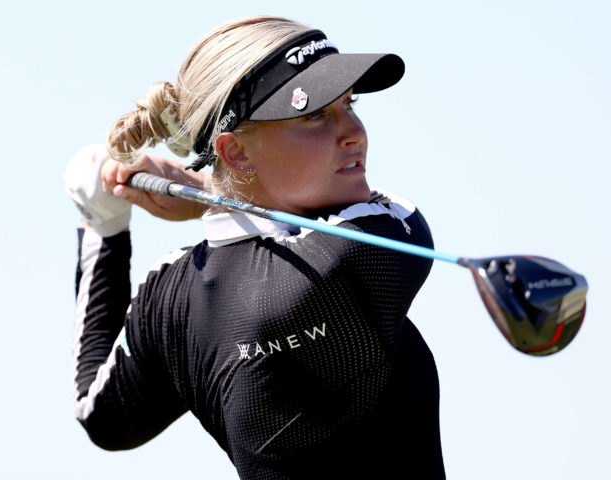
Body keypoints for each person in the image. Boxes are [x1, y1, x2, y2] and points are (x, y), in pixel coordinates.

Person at [65, 15, 445, 479]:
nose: (354, 132)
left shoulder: (172, 295)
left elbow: (104, 418)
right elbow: (402, 221)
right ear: (236, 152)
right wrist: (209, 190)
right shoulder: (351, 259)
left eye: (350, 103)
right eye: (315, 114)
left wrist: (102, 224)